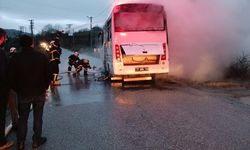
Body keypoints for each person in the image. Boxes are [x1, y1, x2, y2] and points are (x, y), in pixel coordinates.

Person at [8, 35, 51, 150]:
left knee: (23, 118)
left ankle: (21, 143)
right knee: (38, 117)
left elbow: (10, 78)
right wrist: (44, 87)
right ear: (32, 43)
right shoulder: (41, 57)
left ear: (21, 44)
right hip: (39, 92)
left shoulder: (15, 58)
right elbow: (49, 74)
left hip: (23, 93)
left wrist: (18, 89)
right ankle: (36, 141)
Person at [0, 28, 14, 150]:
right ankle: (1, 143)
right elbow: (3, 74)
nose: (6, 39)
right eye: (5, 37)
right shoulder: (0, 53)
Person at [8, 47, 19, 131]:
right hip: (18, 86)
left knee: (13, 106)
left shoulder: (8, 60)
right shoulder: (19, 59)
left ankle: (15, 123)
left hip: (12, 87)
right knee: (18, 105)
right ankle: (18, 122)